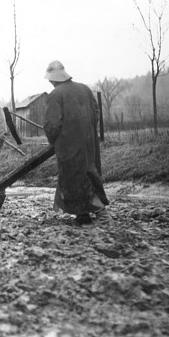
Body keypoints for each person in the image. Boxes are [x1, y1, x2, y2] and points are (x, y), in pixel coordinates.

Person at [42, 60, 113, 226]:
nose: (50, 82)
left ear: (54, 79)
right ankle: (82, 215)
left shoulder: (56, 95)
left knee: (72, 179)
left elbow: (52, 124)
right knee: (90, 173)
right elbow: (96, 113)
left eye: (50, 80)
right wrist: (88, 131)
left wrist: (54, 140)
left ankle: (101, 213)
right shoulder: (84, 89)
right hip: (89, 143)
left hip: (68, 146)